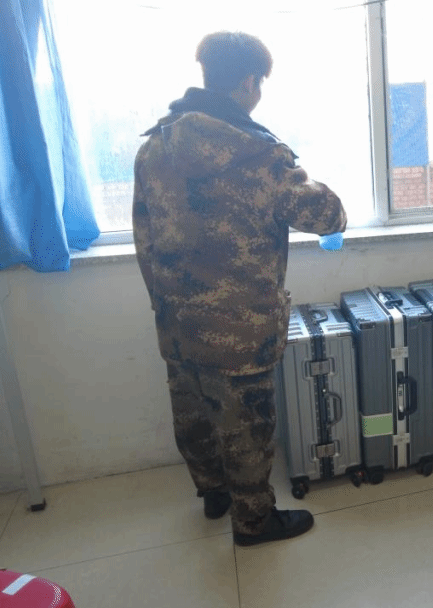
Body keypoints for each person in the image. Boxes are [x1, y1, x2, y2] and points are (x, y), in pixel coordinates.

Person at [133, 32, 346, 546]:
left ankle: (213, 493)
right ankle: (253, 522)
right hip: (241, 323)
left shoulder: (155, 148)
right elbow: (326, 216)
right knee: (246, 422)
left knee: (194, 412)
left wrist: (164, 303)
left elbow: (145, 236)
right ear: (249, 82)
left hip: (178, 317)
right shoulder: (258, 155)